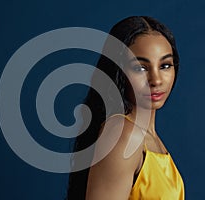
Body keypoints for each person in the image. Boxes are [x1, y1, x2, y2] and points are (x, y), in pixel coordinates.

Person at [66, 16, 184, 200]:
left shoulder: (149, 138)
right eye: (141, 68)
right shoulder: (124, 134)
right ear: (118, 71)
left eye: (165, 65)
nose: (156, 80)